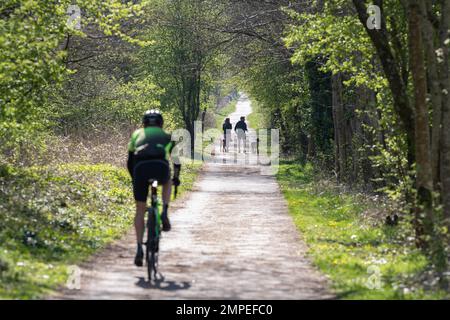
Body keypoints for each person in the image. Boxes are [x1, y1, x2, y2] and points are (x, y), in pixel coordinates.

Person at [127, 110, 181, 267]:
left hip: (141, 170)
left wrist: (134, 179)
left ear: (144, 123)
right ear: (161, 123)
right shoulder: (167, 135)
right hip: (160, 167)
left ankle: (138, 248)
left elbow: (130, 161)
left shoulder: (136, 134)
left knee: (140, 210)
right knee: (168, 181)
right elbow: (176, 161)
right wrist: (176, 177)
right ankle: (164, 210)